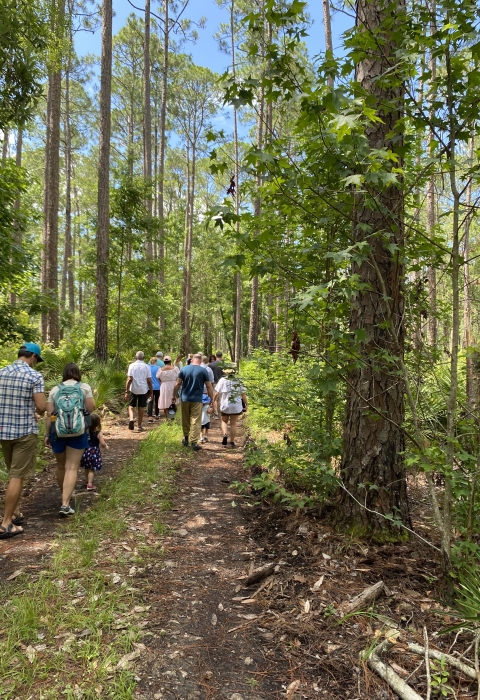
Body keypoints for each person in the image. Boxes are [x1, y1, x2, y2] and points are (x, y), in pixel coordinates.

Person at [0, 343, 46, 539]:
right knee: (17, 476)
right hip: (23, 432)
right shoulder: (34, 376)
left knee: (13, 473)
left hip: (3, 431)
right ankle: (6, 523)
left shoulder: (1, 372)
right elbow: (42, 407)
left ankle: (16, 512)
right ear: (33, 357)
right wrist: (35, 411)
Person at [46, 363, 96, 517]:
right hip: (78, 431)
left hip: (58, 433)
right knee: (72, 467)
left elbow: (49, 415)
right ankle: (65, 503)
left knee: (61, 467)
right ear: (78, 374)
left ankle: (64, 497)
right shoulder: (84, 388)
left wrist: (47, 435)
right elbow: (91, 409)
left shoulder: (55, 390)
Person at [172, 353, 213, 451]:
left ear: (192, 360)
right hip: (197, 399)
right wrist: (211, 399)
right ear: (200, 360)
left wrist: (173, 395)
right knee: (195, 420)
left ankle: (185, 439)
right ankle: (194, 443)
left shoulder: (184, 369)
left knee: (185, 418)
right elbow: (209, 386)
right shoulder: (203, 371)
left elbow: (178, 383)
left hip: (185, 398)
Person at [214, 368, 247, 449]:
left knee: (224, 421)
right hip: (236, 405)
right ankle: (232, 442)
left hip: (225, 404)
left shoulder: (222, 380)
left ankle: (225, 434)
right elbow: (243, 394)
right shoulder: (238, 380)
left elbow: (217, 392)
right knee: (233, 424)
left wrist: (213, 400)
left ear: (226, 372)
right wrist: (246, 404)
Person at [125, 351, 152, 432]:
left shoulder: (132, 366)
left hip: (133, 389)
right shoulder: (147, 367)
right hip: (143, 389)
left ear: (135, 357)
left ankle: (131, 418)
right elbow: (149, 381)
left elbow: (129, 379)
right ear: (143, 358)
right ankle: (139, 426)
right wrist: (151, 391)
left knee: (131, 406)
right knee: (141, 407)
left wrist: (126, 391)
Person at [81, 413, 109, 491]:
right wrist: (106, 446)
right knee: (91, 469)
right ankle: (90, 485)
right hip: (93, 453)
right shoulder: (98, 433)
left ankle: (86, 481)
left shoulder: (84, 432)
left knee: (86, 467)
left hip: (84, 452)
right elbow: (102, 443)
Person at [148, 357, 161, 422]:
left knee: (150, 401)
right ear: (156, 361)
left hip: (150, 387)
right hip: (158, 387)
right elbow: (160, 377)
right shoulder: (158, 368)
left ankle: (150, 417)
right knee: (157, 401)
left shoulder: (148, 368)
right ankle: (156, 415)